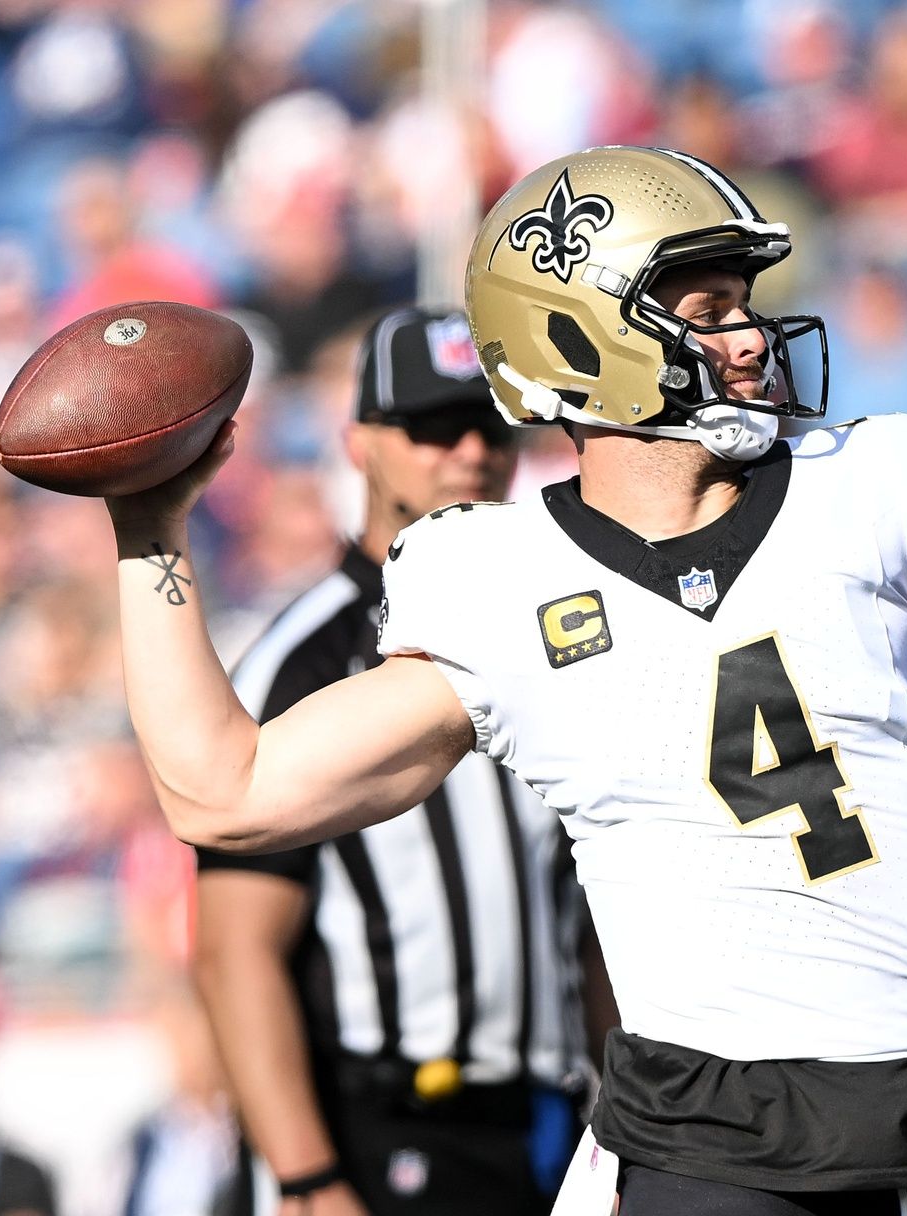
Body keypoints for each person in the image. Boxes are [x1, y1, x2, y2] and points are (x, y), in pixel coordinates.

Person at [102, 147, 907, 1215]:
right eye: (700, 306)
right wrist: (151, 533)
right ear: (580, 337)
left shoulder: (871, 487)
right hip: (718, 1151)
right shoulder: (494, 580)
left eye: (743, 301)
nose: (746, 335)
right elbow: (228, 794)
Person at [189, 308, 601, 1216]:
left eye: (488, 426)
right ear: (360, 443)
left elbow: (583, 913)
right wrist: (307, 1177)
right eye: (429, 427)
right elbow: (234, 954)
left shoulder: (551, 628)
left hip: (550, 1121)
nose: (466, 452)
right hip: (378, 1127)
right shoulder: (299, 660)